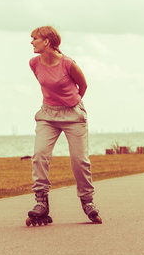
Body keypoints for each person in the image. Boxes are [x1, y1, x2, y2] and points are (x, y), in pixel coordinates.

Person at [27, 26, 102, 225]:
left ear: (47, 41)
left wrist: (72, 105)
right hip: (48, 115)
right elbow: (46, 85)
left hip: (73, 114)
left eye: (35, 38)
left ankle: (87, 201)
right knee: (39, 155)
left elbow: (83, 86)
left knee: (79, 161)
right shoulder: (34, 63)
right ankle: (41, 201)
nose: (31, 42)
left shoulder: (68, 64)